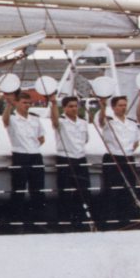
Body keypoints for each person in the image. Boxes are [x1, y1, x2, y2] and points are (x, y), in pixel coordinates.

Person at [96, 94, 140, 228]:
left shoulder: (132, 123)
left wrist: (128, 151)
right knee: (111, 190)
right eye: (120, 105)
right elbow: (100, 120)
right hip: (113, 157)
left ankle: (126, 219)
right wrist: (102, 105)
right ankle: (110, 221)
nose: (123, 108)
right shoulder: (109, 121)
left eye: (124, 105)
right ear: (114, 107)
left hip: (128, 157)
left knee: (129, 189)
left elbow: (136, 142)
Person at [3, 91, 46, 226]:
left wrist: (32, 147)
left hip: (35, 156)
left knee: (38, 189)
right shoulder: (12, 119)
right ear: (17, 103)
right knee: (19, 188)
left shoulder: (35, 119)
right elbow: (4, 120)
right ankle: (17, 219)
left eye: (29, 103)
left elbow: (41, 138)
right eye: (24, 103)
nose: (27, 105)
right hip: (20, 155)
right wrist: (8, 105)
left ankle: (38, 220)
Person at [51, 95, 93, 229]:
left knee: (83, 192)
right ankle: (65, 223)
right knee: (65, 192)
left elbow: (85, 139)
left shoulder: (83, 122)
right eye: (70, 106)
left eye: (76, 106)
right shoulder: (61, 121)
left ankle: (81, 221)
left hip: (80, 158)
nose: (74, 109)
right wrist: (53, 103)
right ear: (64, 108)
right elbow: (55, 121)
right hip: (65, 158)